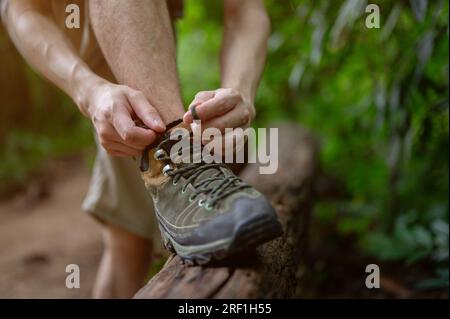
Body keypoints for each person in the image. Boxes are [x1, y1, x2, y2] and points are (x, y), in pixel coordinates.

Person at [1, 0, 281, 298]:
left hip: (145, 19)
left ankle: (174, 164)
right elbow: (21, 8)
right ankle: (178, 161)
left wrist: (240, 92)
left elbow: (245, 10)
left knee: (128, 238)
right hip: (70, 28)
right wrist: (88, 90)